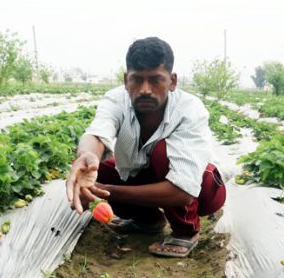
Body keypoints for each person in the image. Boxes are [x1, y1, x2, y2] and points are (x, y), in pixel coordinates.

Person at [66, 37, 226, 258]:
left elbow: (183, 191)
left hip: (201, 189)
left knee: (162, 152)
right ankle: (149, 221)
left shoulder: (189, 109)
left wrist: (108, 191)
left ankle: (186, 231)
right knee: (95, 172)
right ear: (126, 80)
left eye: (155, 80)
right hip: (146, 174)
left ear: (172, 81)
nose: (145, 90)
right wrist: (86, 156)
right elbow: (97, 133)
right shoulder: (116, 100)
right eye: (137, 80)